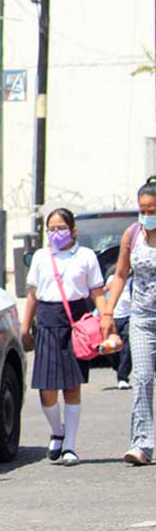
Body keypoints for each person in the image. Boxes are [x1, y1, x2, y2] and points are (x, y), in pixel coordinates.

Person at [21, 208, 111, 466]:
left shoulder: (85, 256)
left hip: (76, 323)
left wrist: (105, 319)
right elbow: (32, 295)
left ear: (73, 230)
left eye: (61, 228)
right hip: (47, 322)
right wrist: (25, 328)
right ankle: (57, 431)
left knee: (72, 386)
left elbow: (96, 292)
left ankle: (70, 445)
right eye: (51, 229)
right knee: (46, 389)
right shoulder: (40, 257)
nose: (56, 233)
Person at [105, 177, 156, 465]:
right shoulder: (133, 234)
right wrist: (108, 312)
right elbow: (121, 274)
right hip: (142, 317)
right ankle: (142, 445)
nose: (147, 216)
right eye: (143, 210)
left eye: (153, 210)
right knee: (143, 378)